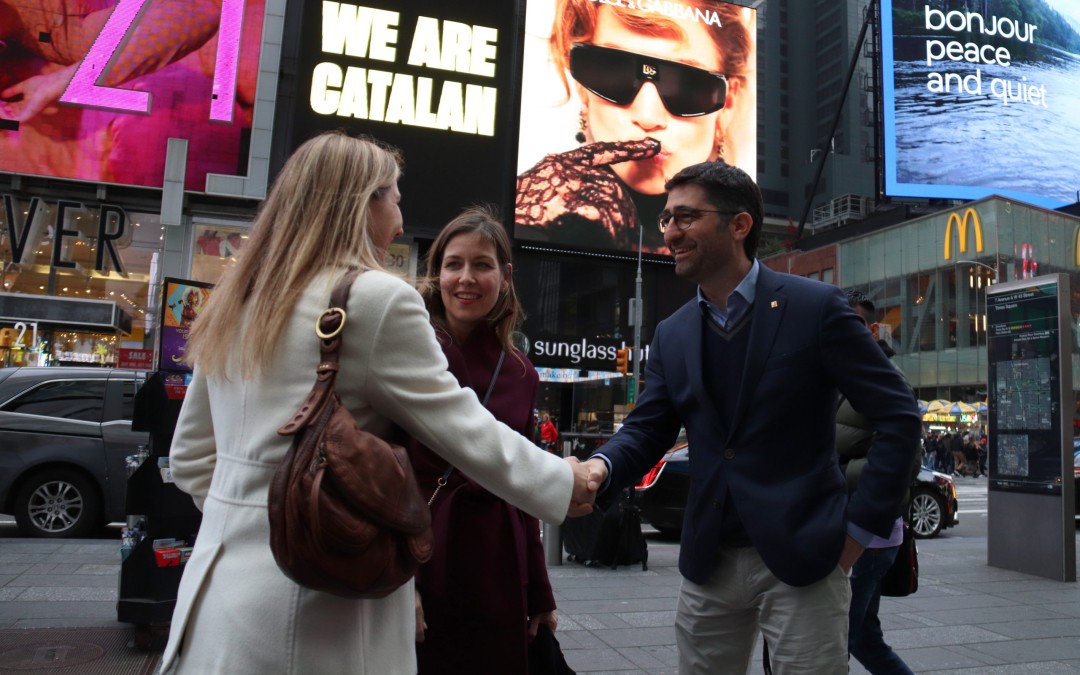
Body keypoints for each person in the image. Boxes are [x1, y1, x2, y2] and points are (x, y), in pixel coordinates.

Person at [158, 132, 600, 675]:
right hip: (321, 607)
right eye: (393, 195)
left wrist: (254, 520)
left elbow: (191, 459)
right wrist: (563, 483)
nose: (399, 213)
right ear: (360, 203)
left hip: (216, 601)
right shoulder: (375, 298)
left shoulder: (243, 296)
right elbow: (463, 428)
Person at [579, 160, 921, 673]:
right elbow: (649, 428)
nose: (671, 232)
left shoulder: (819, 308)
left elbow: (899, 417)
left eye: (686, 217)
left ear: (739, 225)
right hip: (707, 562)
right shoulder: (671, 333)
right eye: (667, 219)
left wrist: (858, 533)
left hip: (806, 557)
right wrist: (601, 468)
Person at [408, 206, 558, 673]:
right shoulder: (408, 352)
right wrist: (400, 583)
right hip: (421, 549)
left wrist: (538, 590)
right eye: (453, 264)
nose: (466, 279)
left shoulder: (520, 372)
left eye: (482, 264)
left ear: (505, 275)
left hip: (498, 560)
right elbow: (377, 469)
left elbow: (525, 491)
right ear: (437, 274)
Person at [515, 0, 754, 255]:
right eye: (614, 71)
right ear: (582, 87)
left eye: (685, 83)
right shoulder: (532, 210)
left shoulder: (739, 249)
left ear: (727, 103)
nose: (647, 117)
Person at [837, 290, 919, 675]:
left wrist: (835, 474)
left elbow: (903, 461)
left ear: (872, 330)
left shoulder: (886, 380)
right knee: (862, 636)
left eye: (850, 326)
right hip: (860, 532)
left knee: (839, 636)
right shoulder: (841, 377)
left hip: (868, 537)